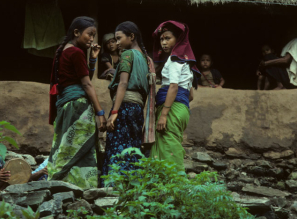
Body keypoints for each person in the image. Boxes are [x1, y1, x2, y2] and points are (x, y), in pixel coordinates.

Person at [48, 16, 107, 189]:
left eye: (93, 35)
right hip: (78, 106)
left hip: (67, 105)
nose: (91, 39)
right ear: (76, 32)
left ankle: (64, 183)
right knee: (81, 145)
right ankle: (80, 185)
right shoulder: (75, 52)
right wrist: (100, 113)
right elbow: (87, 83)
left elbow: (80, 75)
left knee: (68, 145)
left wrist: (93, 59)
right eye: (89, 34)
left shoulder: (64, 50)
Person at [102, 22, 156, 185]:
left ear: (131, 37)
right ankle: (131, 185)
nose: (117, 43)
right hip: (137, 109)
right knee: (132, 146)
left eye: (119, 38)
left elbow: (123, 84)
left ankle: (113, 185)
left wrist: (114, 112)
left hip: (124, 107)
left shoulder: (127, 55)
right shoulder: (147, 60)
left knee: (118, 145)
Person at [150, 21, 200, 172]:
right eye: (161, 39)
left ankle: (175, 185)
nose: (163, 42)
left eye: (168, 38)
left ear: (177, 39)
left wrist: (164, 114)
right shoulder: (185, 63)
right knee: (172, 144)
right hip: (182, 109)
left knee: (168, 147)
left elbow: (173, 86)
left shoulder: (174, 60)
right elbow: (190, 95)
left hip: (171, 109)